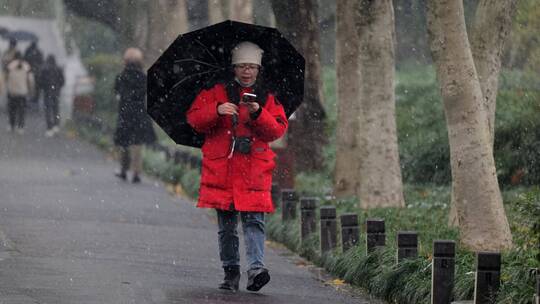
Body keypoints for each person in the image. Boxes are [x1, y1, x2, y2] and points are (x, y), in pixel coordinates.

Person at [186, 41, 288, 292]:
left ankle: (256, 270)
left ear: (258, 69)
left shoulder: (267, 98)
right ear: (234, 68)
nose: (247, 71)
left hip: (254, 170)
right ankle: (231, 272)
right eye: (242, 66)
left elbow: (276, 130)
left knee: (255, 221)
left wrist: (258, 113)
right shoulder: (216, 92)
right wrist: (217, 110)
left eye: (252, 66)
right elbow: (195, 119)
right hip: (224, 170)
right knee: (227, 227)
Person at [113, 48, 156, 183]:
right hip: (139, 113)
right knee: (137, 143)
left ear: (125, 61)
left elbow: (117, 93)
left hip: (125, 112)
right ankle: (136, 172)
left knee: (124, 141)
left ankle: (124, 169)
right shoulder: (144, 78)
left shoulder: (121, 77)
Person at [5, 51, 34, 134]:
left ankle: (11, 125)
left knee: (12, 109)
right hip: (22, 92)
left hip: (12, 91)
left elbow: (6, 77)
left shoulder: (10, 66)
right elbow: (31, 79)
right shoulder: (26, 66)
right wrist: (31, 89)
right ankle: (20, 127)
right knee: (21, 110)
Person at [39, 55, 64, 137]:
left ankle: (49, 128)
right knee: (56, 109)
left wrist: (44, 88)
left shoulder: (44, 69)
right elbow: (62, 81)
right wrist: (58, 87)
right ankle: (56, 125)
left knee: (48, 110)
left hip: (47, 92)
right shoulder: (58, 69)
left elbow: (40, 81)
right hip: (56, 92)